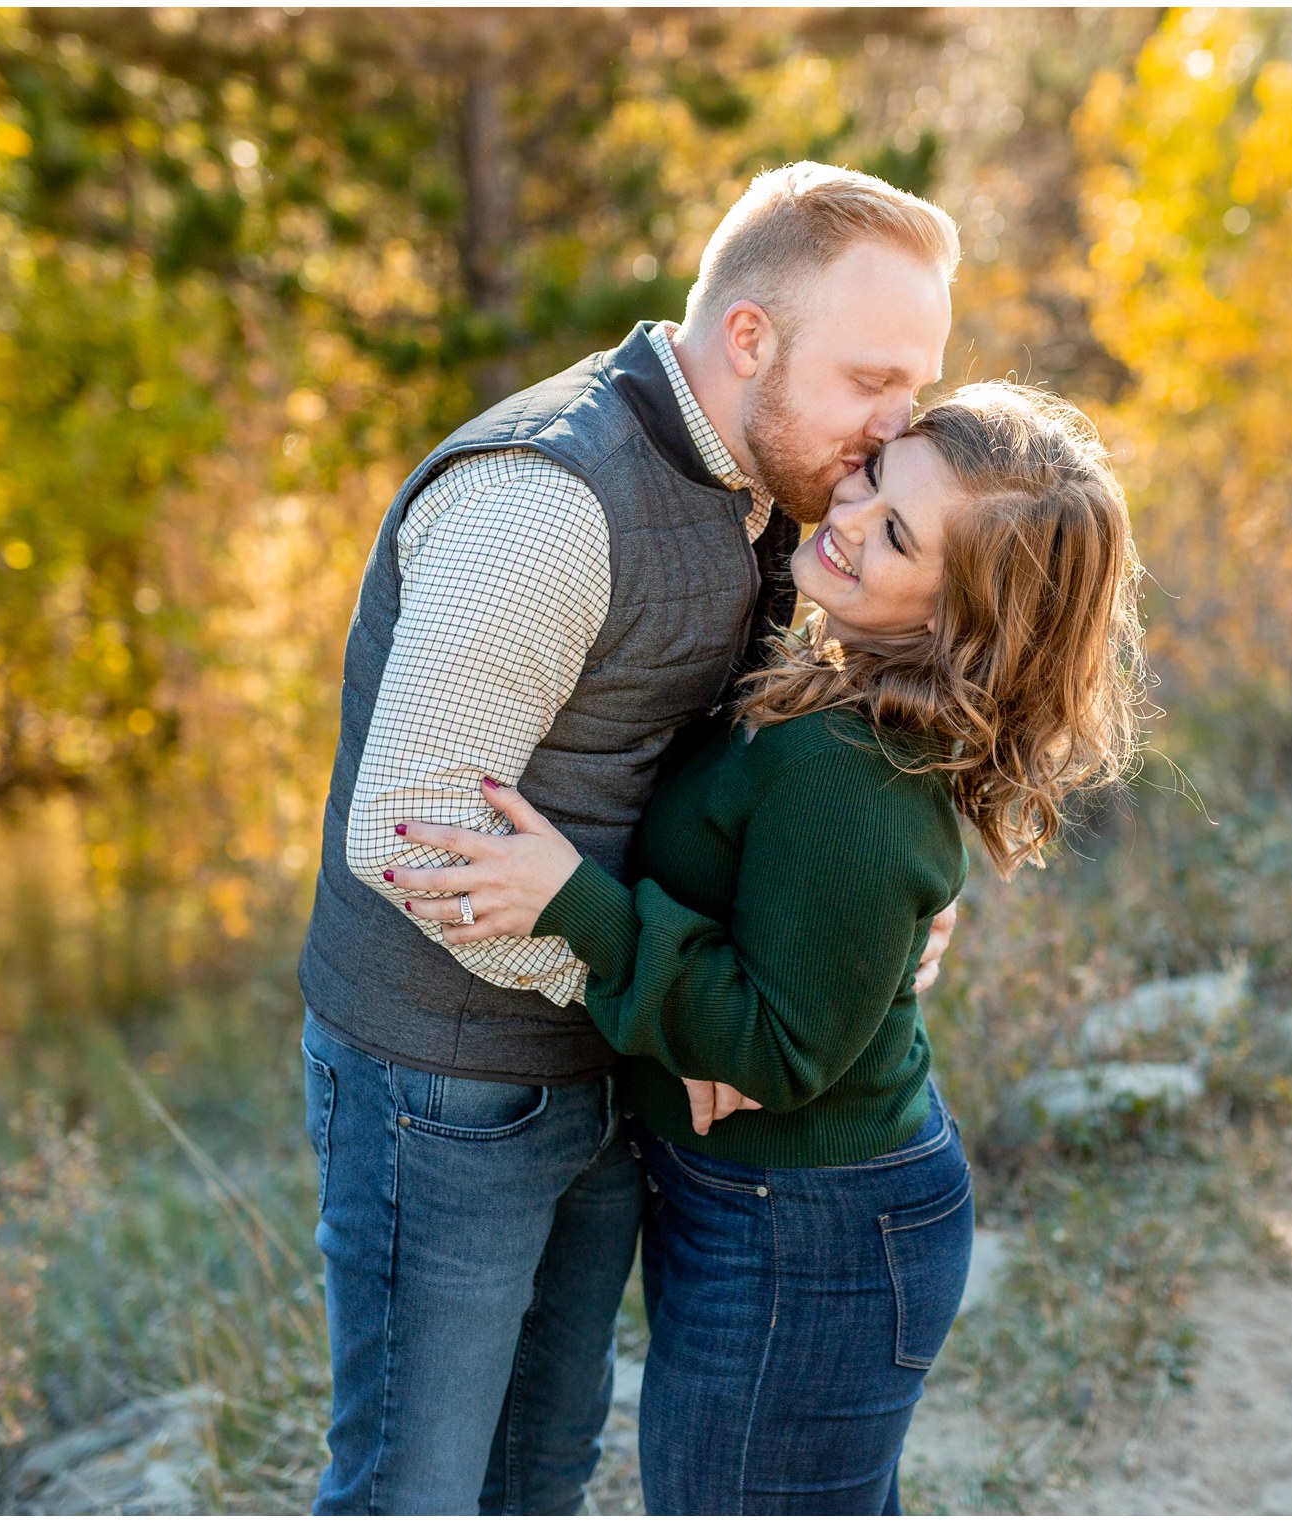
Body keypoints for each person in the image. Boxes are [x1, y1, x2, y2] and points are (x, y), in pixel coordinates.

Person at [294, 163, 963, 1514]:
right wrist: (666, 1008)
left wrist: (869, 921)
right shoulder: (548, 504)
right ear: (750, 339)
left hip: (606, 1073)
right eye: (871, 381)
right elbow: (411, 828)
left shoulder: (775, 485)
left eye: (920, 385)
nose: (896, 428)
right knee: (411, 1489)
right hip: (450, 1087)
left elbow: (812, 762)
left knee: (542, 1473)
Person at [397, 382, 1149, 1513]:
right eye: (873, 475)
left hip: (813, 1237)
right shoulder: (830, 675)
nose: (846, 516)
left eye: (897, 534)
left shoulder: (849, 766)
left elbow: (779, 1048)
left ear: (965, 622)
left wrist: (570, 900)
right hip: (772, 1206)